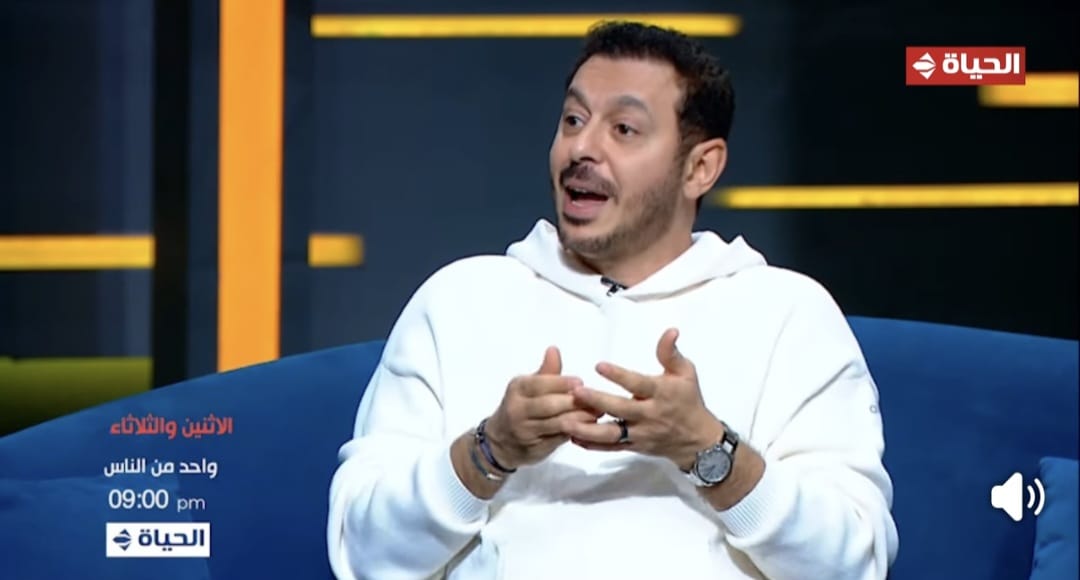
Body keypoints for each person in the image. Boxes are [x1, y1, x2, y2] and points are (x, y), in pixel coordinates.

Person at [328, 20, 899, 580]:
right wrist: (489, 451)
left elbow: (851, 565)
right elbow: (362, 555)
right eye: (573, 120)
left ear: (700, 168)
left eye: (623, 129)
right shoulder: (458, 300)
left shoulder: (788, 314)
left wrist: (709, 451)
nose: (581, 147)